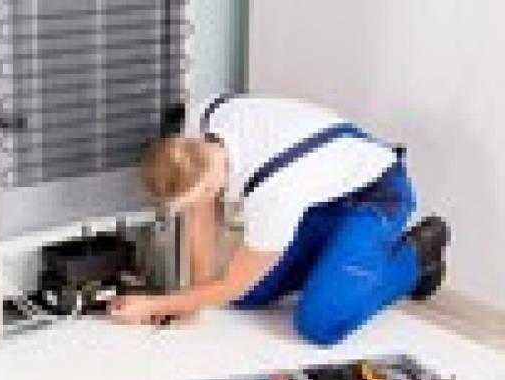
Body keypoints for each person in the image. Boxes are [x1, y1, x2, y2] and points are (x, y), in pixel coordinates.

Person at [109, 94, 450, 346]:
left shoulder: (273, 193)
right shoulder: (198, 128)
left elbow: (234, 283)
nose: (191, 209)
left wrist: (158, 304)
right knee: (240, 296)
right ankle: (335, 260)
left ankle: (418, 258)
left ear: (210, 186)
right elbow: (200, 213)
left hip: (376, 192)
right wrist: (191, 300)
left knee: (321, 324)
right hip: (321, 195)